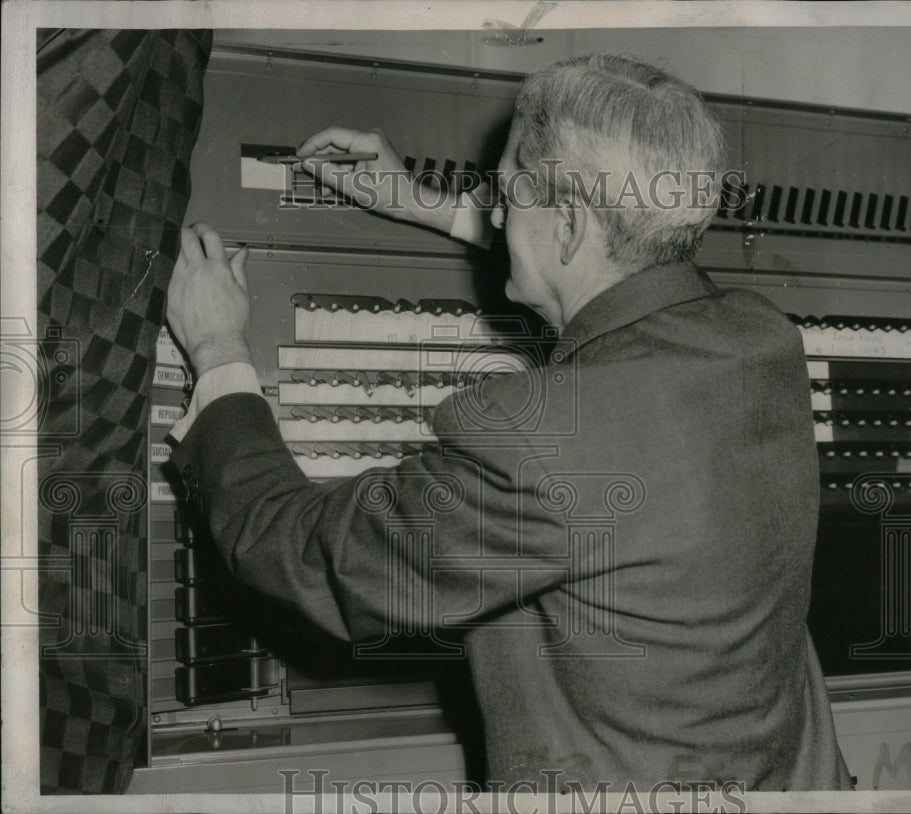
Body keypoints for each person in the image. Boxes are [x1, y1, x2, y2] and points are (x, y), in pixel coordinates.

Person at [166, 53, 854, 792]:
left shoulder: (543, 444)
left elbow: (301, 556)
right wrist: (423, 203)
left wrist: (217, 352)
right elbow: (624, 282)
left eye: (505, 195)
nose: (494, 210)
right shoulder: (760, 339)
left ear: (565, 225)